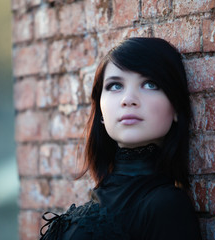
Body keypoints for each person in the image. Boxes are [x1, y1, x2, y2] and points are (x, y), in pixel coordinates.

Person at [39, 37, 202, 240]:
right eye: (115, 86)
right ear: (100, 110)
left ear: (176, 107)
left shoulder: (167, 206)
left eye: (150, 84)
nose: (128, 100)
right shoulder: (96, 199)